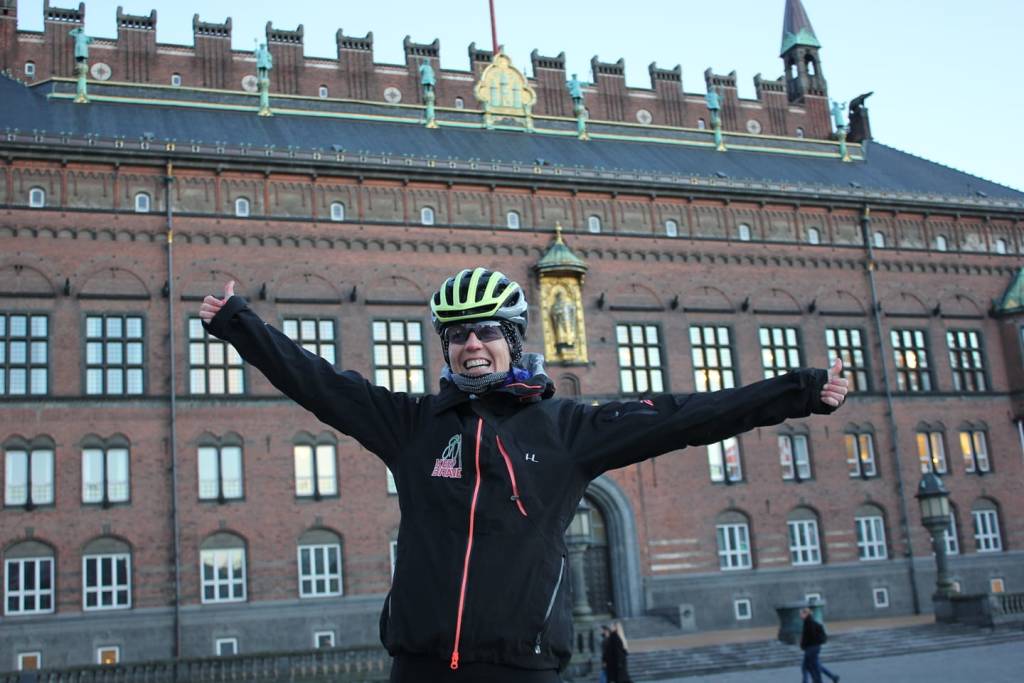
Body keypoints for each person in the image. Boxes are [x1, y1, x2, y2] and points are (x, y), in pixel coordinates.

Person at [199, 267, 848, 682]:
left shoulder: (567, 428)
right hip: (419, 664)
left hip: (523, 666)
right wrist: (239, 325)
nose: (470, 344)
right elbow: (318, 381)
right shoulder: (412, 423)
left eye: (485, 331)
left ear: (512, 338)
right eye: (456, 335)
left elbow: (687, 414)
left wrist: (798, 391)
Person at [800, 607, 839, 683]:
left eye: (801, 613)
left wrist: (804, 645)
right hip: (813, 648)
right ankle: (833, 677)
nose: (800, 615)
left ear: (806, 614)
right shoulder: (809, 622)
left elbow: (810, 636)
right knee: (814, 666)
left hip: (811, 648)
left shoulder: (809, 623)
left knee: (809, 667)